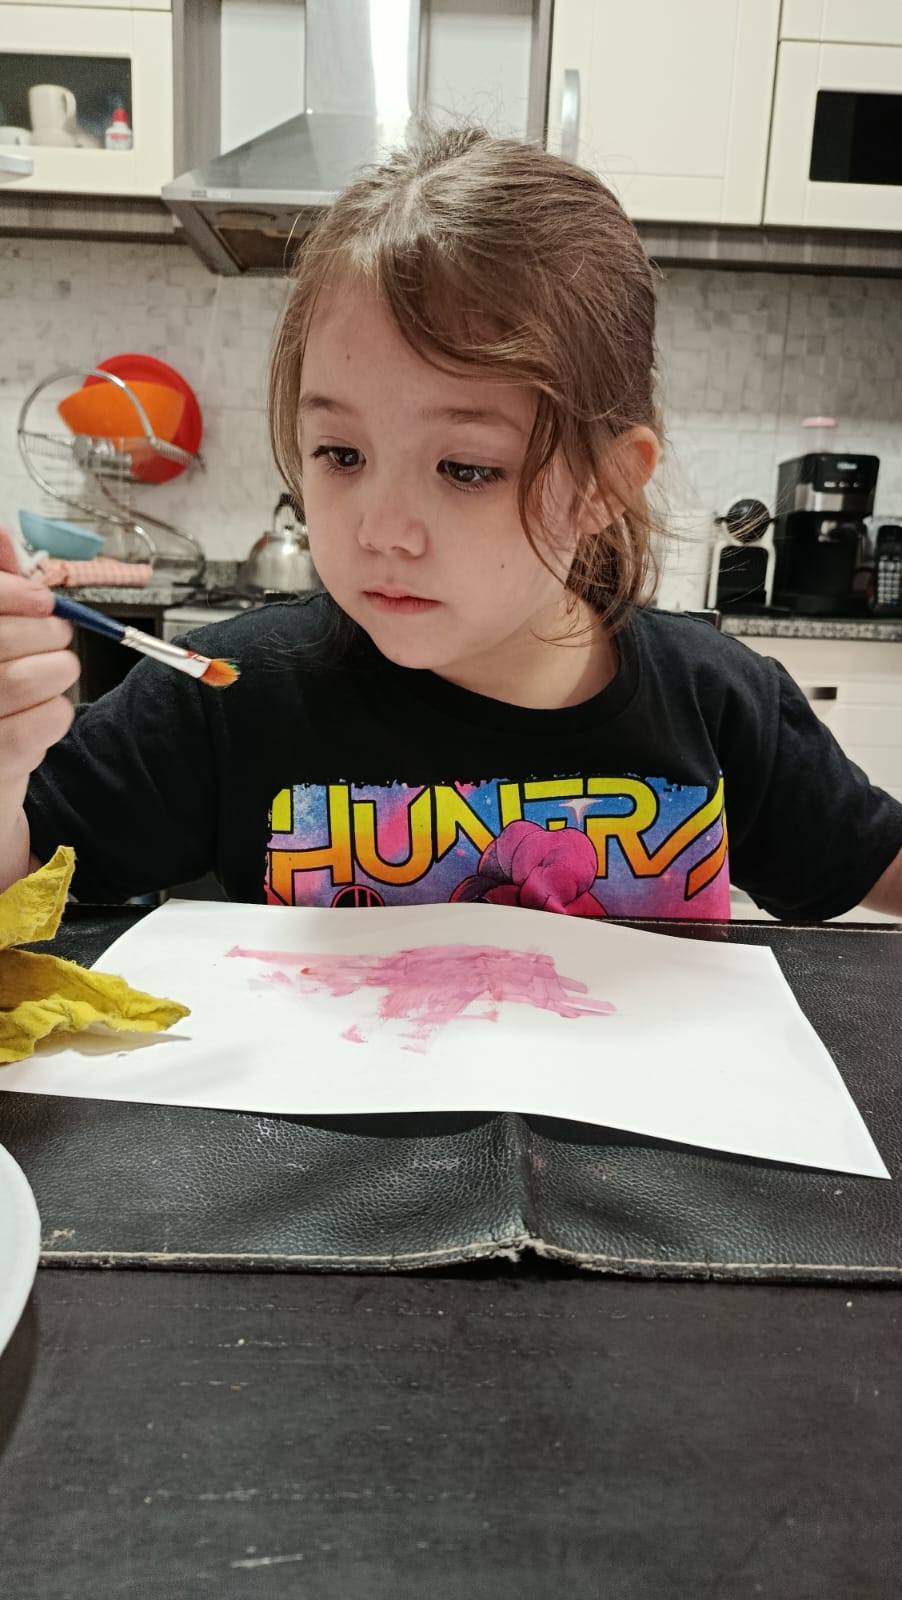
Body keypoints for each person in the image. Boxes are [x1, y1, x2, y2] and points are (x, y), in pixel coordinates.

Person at [2, 126, 901, 921]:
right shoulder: (229, 695)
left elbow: (877, 870)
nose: (382, 531)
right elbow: (24, 878)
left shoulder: (719, 704)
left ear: (604, 485)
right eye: (341, 454)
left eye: (466, 469)